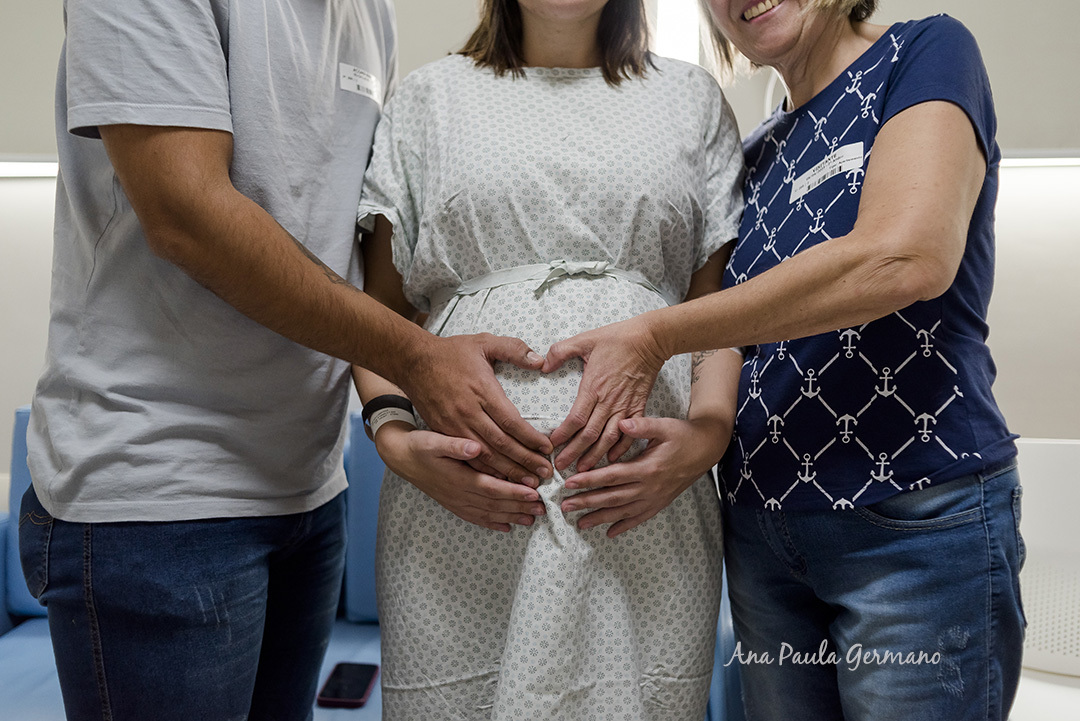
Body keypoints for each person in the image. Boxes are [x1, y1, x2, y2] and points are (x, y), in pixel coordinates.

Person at [18, 1, 561, 719]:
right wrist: (421, 359)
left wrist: (391, 414)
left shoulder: (368, 13)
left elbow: (353, 256)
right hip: (157, 493)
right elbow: (187, 214)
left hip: (307, 488)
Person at [543, 1, 1024, 719]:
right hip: (764, 540)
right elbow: (731, 338)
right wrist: (698, 436)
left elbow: (906, 255)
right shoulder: (755, 155)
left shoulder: (924, 52)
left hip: (910, 527)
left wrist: (654, 335)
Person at [352, 0, 745, 716]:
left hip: (640, 511)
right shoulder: (427, 99)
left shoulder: (690, 101)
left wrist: (706, 441)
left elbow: (714, 313)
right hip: (460, 519)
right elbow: (377, 313)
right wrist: (395, 439)